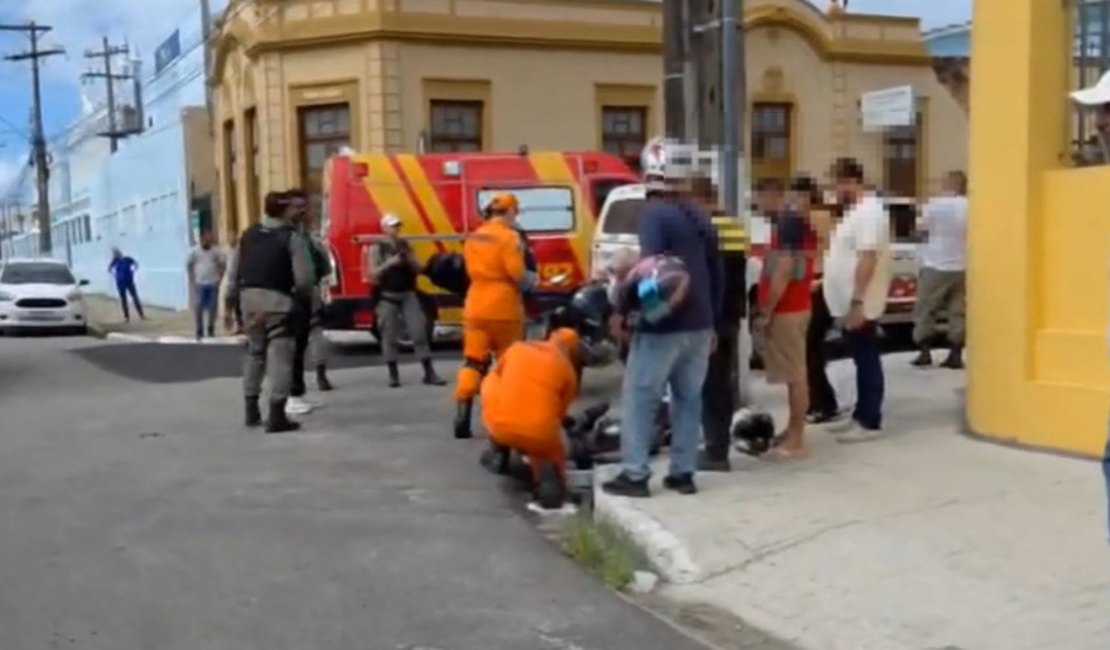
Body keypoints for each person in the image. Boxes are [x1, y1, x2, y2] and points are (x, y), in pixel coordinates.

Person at [602, 174, 722, 498]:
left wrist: (631, 316)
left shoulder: (654, 215)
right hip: (700, 323)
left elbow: (651, 270)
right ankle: (683, 473)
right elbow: (716, 271)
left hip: (664, 326)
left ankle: (635, 474)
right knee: (688, 398)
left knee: (642, 397)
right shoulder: (701, 215)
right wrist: (714, 321)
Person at [225, 190, 314, 433]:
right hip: (278, 302)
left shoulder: (248, 235)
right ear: (285, 211)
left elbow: (233, 275)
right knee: (280, 358)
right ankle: (277, 415)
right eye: (294, 209)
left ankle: (251, 410)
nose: (299, 212)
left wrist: (230, 306)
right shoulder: (291, 238)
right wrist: (300, 299)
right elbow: (305, 280)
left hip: (248, 301)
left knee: (255, 353)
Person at [823, 157, 892, 442]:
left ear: (852, 182)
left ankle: (869, 419)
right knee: (859, 356)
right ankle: (860, 414)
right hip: (848, 299)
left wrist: (857, 300)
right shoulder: (855, 212)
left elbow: (868, 258)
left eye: (838, 184)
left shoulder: (869, 213)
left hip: (861, 300)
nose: (835, 191)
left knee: (867, 358)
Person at [453, 193, 531, 439]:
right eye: (515, 213)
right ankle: (505, 417)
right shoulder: (510, 238)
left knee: (473, 361)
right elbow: (517, 273)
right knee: (508, 365)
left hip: (475, 304)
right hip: (504, 307)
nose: (515, 217)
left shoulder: (474, 236)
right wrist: (533, 281)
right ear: (508, 212)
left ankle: (462, 416)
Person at [480, 328, 581, 508]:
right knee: (548, 447)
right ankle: (548, 479)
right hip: (539, 434)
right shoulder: (568, 371)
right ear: (570, 351)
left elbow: (499, 374)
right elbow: (560, 414)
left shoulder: (517, 349)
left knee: (491, 381)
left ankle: (498, 450)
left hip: (502, 424)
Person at [755, 176, 819, 459]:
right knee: (796, 373)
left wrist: (767, 310)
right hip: (795, 306)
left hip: (788, 309)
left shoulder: (787, 225)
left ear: (772, 196)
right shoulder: (792, 224)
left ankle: (796, 439)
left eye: (759, 199)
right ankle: (793, 430)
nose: (758, 205)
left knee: (795, 375)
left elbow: (783, 268)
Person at [366, 213, 445, 388]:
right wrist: (390, 263)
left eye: (397, 226)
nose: (396, 230)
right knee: (388, 336)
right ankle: (393, 374)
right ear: (384, 228)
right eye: (392, 226)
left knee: (419, 332)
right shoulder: (377, 248)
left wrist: (410, 259)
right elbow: (372, 274)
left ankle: (428, 372)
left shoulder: (405, 245)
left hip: (408, 294)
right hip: (388, 296)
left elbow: (419, 269)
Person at [911, 170, 968, 370]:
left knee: (926, 309)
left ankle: (925, 351)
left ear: (948, 183)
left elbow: (920, 228)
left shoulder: (934, 205)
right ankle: (955, 353)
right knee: (957, 310)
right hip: (962, 264)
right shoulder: (971, 206)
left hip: (936, 263)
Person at [805, 192, 843, 424]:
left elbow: (830, 255)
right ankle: (820, 402)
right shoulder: (825, 218)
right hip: (816, 282)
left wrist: (820, 281)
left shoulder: (819, 219)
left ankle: (823, 403)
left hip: (819, 285)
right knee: (811, 349)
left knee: (811, 348)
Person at [187, 230, 227, 340]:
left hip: (212, 283)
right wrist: (193, 280)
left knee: (212, 308)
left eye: (210, 238)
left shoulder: (216, 252)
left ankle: (210, 329)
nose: (207, 241)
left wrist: (219, 278)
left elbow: (222, 264)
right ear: (201, 239)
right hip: (200, 283)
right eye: (205, 239)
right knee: (198, 307)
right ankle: (199, 330)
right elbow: (189, 265)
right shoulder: (194, 251)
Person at [108, 247, 145, 322]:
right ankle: (126, 317)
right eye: (114, 253)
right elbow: (109, 269)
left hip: (129, 281)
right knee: (124, 300)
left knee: (135, 297)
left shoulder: (127, 259)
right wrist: (115, 276)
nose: (116, 254)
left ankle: (141, 315)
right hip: (120, 282)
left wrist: (133, 271)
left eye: (116, 253)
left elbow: (136, 264)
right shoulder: (114, 261)